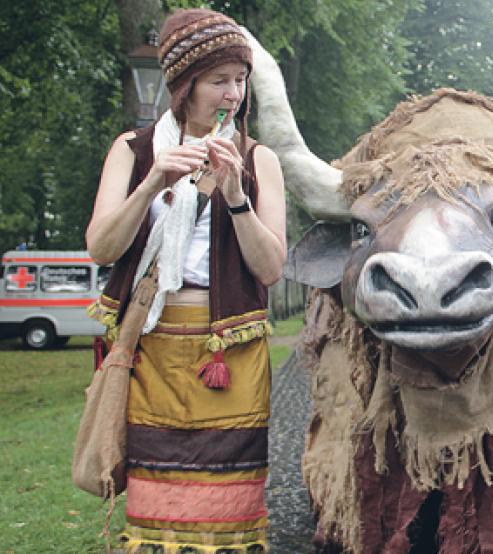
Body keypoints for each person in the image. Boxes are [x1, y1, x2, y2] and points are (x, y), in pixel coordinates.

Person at [85, 8, 286, 552]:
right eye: (218, 81)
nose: (233, 95)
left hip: (229, 352)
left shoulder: (257, 157)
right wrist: (153, 182)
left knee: (229, 511)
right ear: (183, 85)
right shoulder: (132, 151)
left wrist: (237, 198)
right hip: (152, 348)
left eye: (240, 80)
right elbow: (102, 247)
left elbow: (270, 269)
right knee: (157, 506)